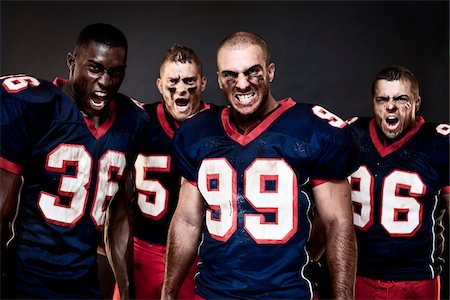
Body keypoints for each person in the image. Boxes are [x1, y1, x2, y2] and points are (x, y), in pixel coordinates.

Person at [161, 31, 360, 299]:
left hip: (286, 293)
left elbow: (338, 222)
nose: (242, 84)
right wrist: (168, 292)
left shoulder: (312, 128)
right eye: (231, 75)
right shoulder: (198, 132)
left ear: (270, 71)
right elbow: (186, 221)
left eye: (252, 72)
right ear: (219, 80)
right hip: (213, 293)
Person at [0, 23, 148, 299]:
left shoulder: (132, 121)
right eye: (95, 68)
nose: (105, 81)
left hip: (83, 283)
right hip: (27, 280)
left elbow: (118, 214)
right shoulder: (37, 106)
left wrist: (126, 290)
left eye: (115, 72)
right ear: (72, 62)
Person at [112, 44, 214, 299]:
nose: (181, 89)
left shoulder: (220, 124)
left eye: (189, 81)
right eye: (173, 82)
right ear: (159, 85)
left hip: (200, 254)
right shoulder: (139, 120)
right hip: (143, 251)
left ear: (203, 83)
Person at [347, 65, 449, 299]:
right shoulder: (351, 135)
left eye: (401, 98)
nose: (390, 106)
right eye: (382, 99)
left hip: (417, 277)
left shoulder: (440, 143)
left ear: (416, 102)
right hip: (360, 273)